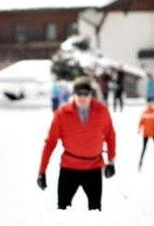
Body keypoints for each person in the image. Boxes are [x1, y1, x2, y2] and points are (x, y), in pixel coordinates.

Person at [38, 76, 116, 210]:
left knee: (95, 212)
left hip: (94, 168)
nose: (82, 98)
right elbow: (50, 143)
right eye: (79, 94)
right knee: (62, 210)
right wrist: (42, 171)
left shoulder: (102, 111)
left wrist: (111, 162)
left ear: (91, 94)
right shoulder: (61, 114)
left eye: (86, 94)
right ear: (73, 94)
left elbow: (110, 136)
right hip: (69, 168)